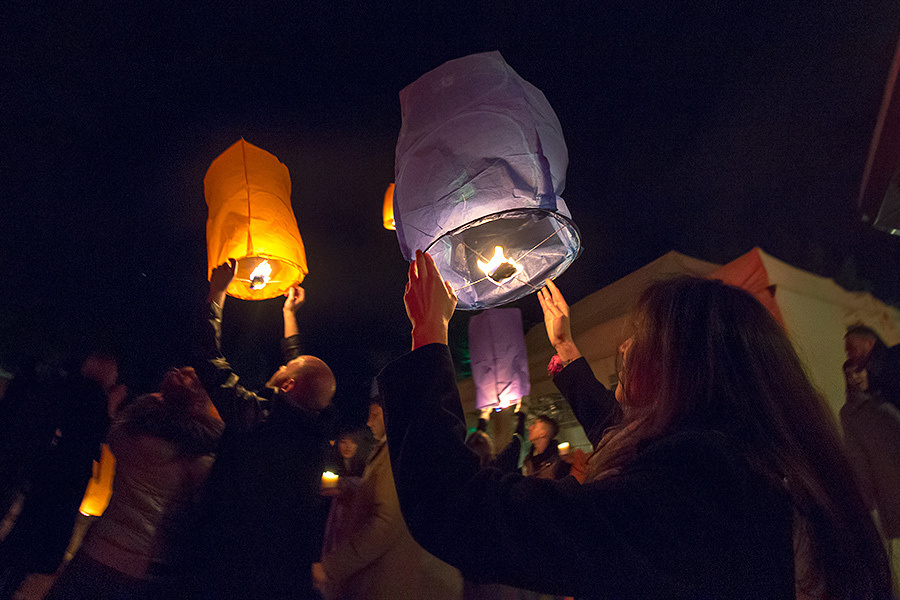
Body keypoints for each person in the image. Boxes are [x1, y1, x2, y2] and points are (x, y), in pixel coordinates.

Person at [376, 250, 891, 600]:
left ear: (685, 365)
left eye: (638, 335)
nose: (623, 349)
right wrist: (567, 350)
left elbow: (462, 509)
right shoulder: (755, 465)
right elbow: (625, 439)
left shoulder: (701, 494)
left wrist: (428, 336)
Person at [185, 259, 336, 600]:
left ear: (287, 386)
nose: (282, 363)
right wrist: (290, 315)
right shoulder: (313, 433)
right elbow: (302, 371)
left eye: (285, 367)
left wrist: (216, 295)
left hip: (227, 564)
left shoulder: (257, 420)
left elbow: (208, 358)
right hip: (278, 572)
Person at [46, 367, 224, 599]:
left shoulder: (130, 431)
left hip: (96, 548)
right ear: (202, 401)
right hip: (140, 568)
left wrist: (144, 404)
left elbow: (116, 429)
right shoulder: (198, 454)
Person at [314, 398, 462, 600]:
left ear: (393, 413)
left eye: (375, 414)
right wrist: (345, 486)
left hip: (394, 579)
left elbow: (385, 523)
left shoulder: (395, 453)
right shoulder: (394, 449)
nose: (369, 422)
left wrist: (332, 567)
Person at [0, 353, 121, 600]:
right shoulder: (95, 399)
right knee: (37, 538)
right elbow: (92, 439)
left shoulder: (67, 389)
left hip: (47, 471)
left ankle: (8, 580)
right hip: (66, 480)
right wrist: (111, 411)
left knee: (26, 528)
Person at [841, 336, 900, 542]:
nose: (856, 378)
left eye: (859, 371)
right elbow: (856, 456)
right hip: (891, 485)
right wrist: (866, 500)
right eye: (850, 375)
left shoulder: (885, 396)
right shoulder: (851, 413)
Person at [844, 325, 900, 411]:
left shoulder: (895, 357)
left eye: (852, 348)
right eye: (847, 351)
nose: (848, 355)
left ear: (869, 343)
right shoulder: (855, 370)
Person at [522, 414, 569, 480]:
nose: (530, 428)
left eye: (534, 426)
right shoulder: (528, 461)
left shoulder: (559, 464)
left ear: (542, 433)